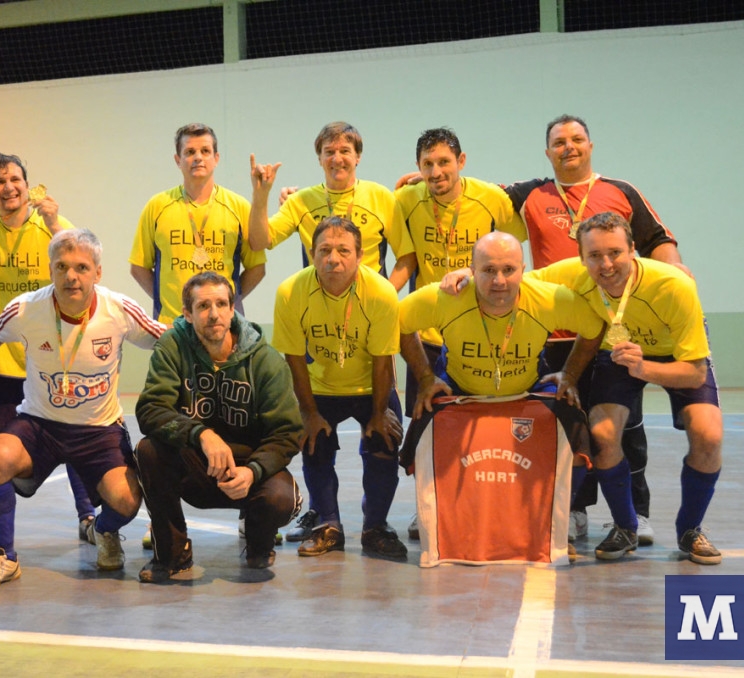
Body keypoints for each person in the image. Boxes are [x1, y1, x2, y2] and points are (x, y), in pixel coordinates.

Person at [502, 115, 687, 545]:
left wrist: (676, 272)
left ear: (590, 145)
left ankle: (636, 513)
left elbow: (657, 236)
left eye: (576, 139)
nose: (569, 147)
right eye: (559, 142)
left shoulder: (621, 191)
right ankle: (575, 508)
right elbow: (473, 196)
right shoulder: (530, 194)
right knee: (569, 422)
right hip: (557, 334)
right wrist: (424, 176)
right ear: (547, 152)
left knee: (626, 424)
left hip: (618, 329)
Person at [0, 228, 165, 591]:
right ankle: (3, 558)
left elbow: (166, 340)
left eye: (82, 267)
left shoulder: (119, 309)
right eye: (62, 267)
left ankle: (101, 531)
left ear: (98, 272)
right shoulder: (27, 308)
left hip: (98, 430)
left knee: (125, 500)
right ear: (51, 270)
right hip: (39, 425)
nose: (71, 276)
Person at [398, 233, 604, 562]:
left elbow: (594, 329)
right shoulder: (445, 298)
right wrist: (424, 377)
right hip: (461, 389)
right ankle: (434, 509)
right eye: (488, 270)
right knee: (420, 427)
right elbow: (400, 322)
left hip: (525, 388)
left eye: (509, 270)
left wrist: (571, 375)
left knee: (577, 428)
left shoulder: (550, 299)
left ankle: (560, 510)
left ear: (524, 269)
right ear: (472, 270)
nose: (499, 281)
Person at [535, 213, 723, 564]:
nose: (606, 265)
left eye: (615, 253)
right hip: (618, 353)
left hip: (677, 358)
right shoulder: (572, 274)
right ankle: (626, 526)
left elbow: (696, 374)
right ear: (581, 258)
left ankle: (690, 530)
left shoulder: (673, 286)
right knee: (603, 435)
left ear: (633, 250)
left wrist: (643, 368)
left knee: (708, 436)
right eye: (594, 256)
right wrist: (465, 275)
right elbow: (515, 279)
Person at [394, 127, 528, 541]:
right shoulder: (405, 200)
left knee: (487, 425)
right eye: (427, 165)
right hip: (429, 333)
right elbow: (404, 257)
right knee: (426, 426)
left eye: (443, 162)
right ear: (417, 168)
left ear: (462, 161)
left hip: (484, 328)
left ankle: (495, 503)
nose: (436, 172)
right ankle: (426, 507)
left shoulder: (492, 199)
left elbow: (513, 252)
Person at [134, 272, 302, 582]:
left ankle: (258, 543)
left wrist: (253, 470)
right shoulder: (173, 347)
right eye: (203, 306)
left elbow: (288, 432)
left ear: (233, 307)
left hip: (248, 471)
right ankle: (172, 554)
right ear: (187, 313)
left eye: (222, 304)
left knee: (282, 499)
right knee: (149, 450)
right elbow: (150, 409)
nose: (214, 314)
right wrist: (201, 434)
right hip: (197, 467)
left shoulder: (265, 360)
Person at [0, 153, 97, 553]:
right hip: (5, 363)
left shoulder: (52, 227)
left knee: (75, 439)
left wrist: (56, 222)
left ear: (28, 185)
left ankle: (88, 515)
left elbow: (83, 263)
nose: (8, 187)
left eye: (14, 179)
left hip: (54, 358)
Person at [272, 216, 407, 561]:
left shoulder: (380, 292)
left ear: (360, 255)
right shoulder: (290, 292)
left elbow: (382, 360)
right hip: (319, 387)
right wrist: (308, 413)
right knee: (314, 443)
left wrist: (379, 414)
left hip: (369, 387)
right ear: (312, 253)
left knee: (384, 441)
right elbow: (294, 360)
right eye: (325, 250)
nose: (334, 258)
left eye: (344, 250)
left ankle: (375, 526)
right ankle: (328, 525)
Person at [249, 121, 416, 289]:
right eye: (329, 152)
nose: (337, 159)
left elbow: (407, 256)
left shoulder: (380, 196)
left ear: (358, 157)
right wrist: (260, 195)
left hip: (369, 306)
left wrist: (385, 297)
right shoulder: (300, 202)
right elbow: (259, 242)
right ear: (320, 159)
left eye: (344, 151)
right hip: (319, 306)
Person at [130, 123, 267, 325]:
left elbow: (257, 268)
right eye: (190, 152)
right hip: (172, 326)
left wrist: (227, 303)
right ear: (178, 160)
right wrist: (165, 302)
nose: (198, 157)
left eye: (205, 151)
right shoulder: (157, 206)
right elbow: (138, 267)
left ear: (216, 158)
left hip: (222, 325)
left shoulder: (239, 207)